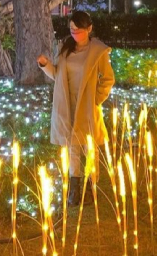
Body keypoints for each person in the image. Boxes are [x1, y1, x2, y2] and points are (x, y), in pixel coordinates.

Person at [37, 11, 115, 206]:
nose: (74, 34)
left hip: (87, 105)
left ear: (89, 29)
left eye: (78, 31)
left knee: (90, 146)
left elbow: (108, 79)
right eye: (71, 30)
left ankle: (91, 186)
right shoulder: (65, 48)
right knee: (72, 145)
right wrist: (45, 65)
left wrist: (96, 99)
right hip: (67, 103)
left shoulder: (98, 51)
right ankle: (74, 188)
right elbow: (58, 76)